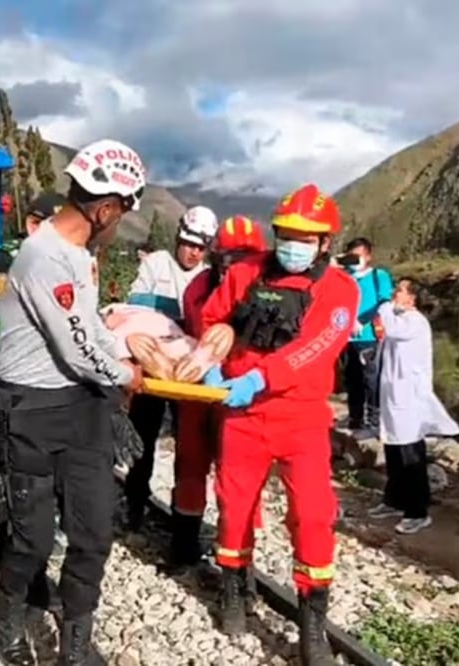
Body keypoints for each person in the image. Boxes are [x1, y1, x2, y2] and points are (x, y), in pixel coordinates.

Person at [0, 139, 146, 665]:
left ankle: (75, 642)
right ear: (104, 208)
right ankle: (7, 612)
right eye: (122, 212)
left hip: (81, 410)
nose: (119, 223)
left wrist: (120, 359)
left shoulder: (79, 256)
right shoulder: (45, 258)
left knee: (92, 530)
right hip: (32, 409)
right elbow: (77, 348)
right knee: (33, 539)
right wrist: (124, 374)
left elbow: (91, 329)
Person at [200, 184, 359, 665]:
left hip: (302, 418)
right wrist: (210, 356)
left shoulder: (340, 291)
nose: (293, 243)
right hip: (241, 415)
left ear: (325, 243)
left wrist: (259, 377)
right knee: (234, 508)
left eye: (305, 237)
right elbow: (213, 315)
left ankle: (313, 626)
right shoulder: (247, 270)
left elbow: (315, 350)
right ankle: (234, 593)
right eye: (286, 233)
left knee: (313, 514)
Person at [0, 192, 62, 588]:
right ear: (33, 225)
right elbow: (7, 297)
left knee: (36, 474)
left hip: (40, 388)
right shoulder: (3, 260)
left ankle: (28, 555)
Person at [167, 214, 267, 566]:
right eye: (229, 259)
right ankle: (183, 545)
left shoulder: (267, 295)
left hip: (243, 393)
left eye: (243, 259)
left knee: (238, 476)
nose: (235, 267)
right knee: (191, 464)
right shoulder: (197, 290)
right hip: (199, 391)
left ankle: (239, 560)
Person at [123, 205, 217, 529]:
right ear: (179, 238)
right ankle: (134, 501)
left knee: (190, 445)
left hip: (189, 370)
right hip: (153, 364)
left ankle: (184, 512)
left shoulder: (208, 277)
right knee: (143, 436)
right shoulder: (157, 263)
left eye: (200, 247)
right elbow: (135, 302)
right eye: (189, 244)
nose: (192, 252)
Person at [369, 279, 459, 534]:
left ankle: (417, 511)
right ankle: (394, 500)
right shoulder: (400, 318)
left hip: (408, 399)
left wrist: (384, 306)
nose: (394, 293)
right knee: (394, 453)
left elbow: (393, 329)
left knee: (411, 455)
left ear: (412, 298)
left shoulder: (415, 322)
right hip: (393, 397)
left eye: (399, 290)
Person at [341, 237, 393, 437]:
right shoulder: (345, 278)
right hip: (345, 338)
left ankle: (374, 421)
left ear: (368, 256)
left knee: (371, 379)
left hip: (368, 336)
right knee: (352, 379)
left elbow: (384, 302)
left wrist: (361, 321)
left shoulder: (378, 276)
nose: (355, 260)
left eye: (359, 256)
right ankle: (355, 419)